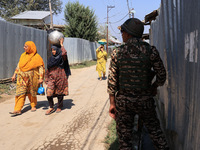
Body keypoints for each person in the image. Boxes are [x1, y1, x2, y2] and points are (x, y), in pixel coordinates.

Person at [108, 18, 169, 150]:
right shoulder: (151, 51)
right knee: (156, 135)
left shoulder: (117, 52)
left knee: (125, 140)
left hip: (124, 103)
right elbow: (162, 75)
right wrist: (153, 87)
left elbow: (112, 81)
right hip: (145, 101)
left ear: (129, 33)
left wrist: (112, 103)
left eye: (123, 31)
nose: (122, 34)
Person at [10, 41, 45, 116]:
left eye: (26, 46)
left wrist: (41, 78)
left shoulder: (36, 57)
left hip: (32, 78)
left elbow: (41, 68)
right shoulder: (23, 55)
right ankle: (17, 109)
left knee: (31, 92)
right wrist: (14, 74)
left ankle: (33, 105)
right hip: (21, 77)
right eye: (24, 46)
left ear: (31, 47)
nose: (24, 48)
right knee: (20, 92)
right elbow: (19, 65)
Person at [45, 38, 70, 115]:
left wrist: (61, 44)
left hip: (60, 77)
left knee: (60, 93)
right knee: (49, 92)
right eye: (52, 50)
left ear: (58, 50)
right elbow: (48, 69)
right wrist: (46, 78)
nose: (53, 51)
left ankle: (59, 106)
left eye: (54, 50)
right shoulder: (51, 59)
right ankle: (51, 107)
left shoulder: (62, 58)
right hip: (52, 77)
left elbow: (64, 53)